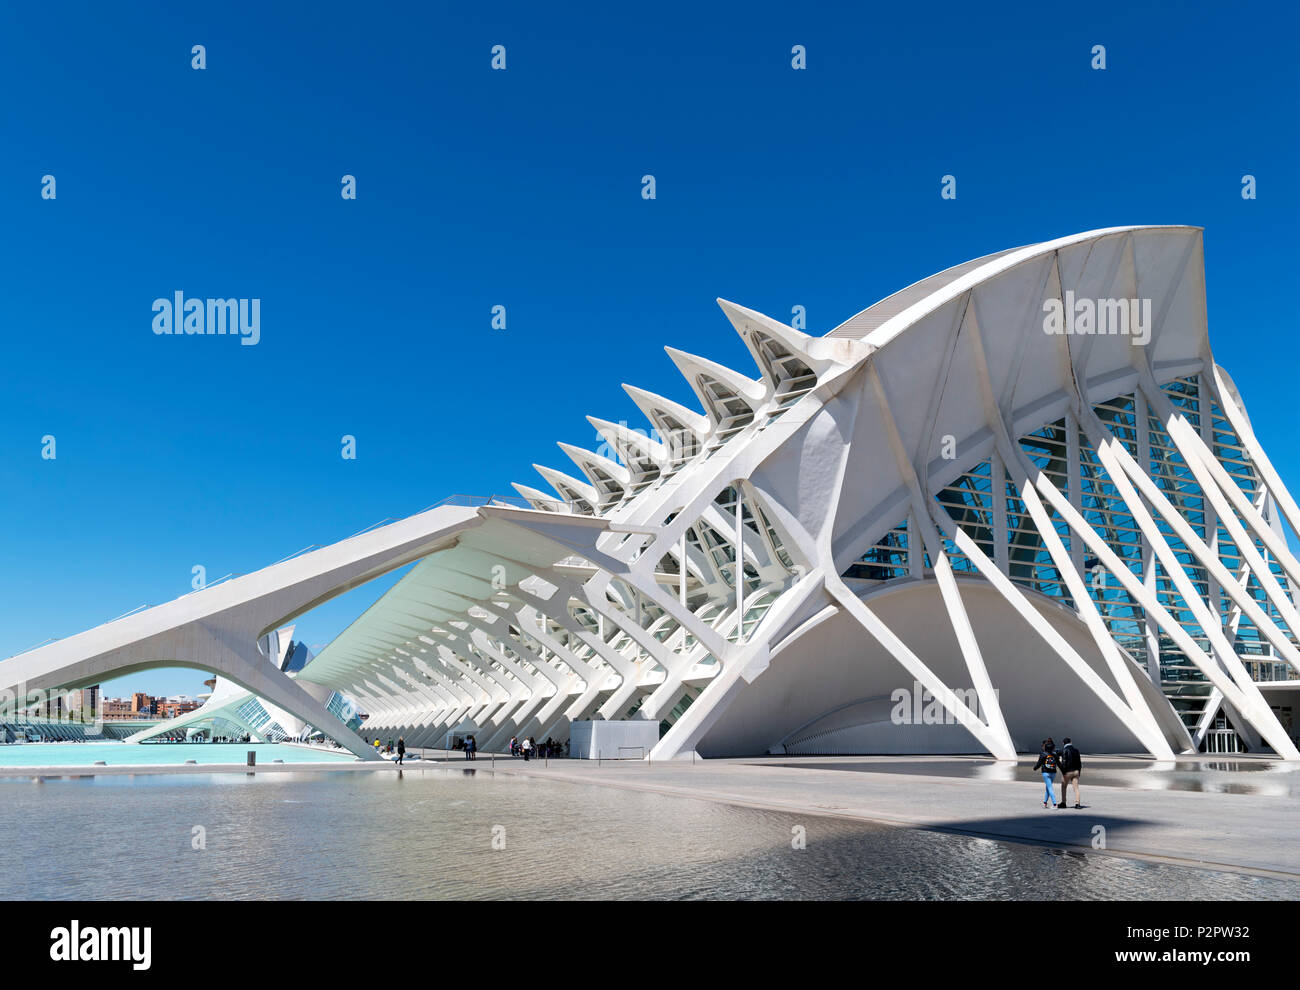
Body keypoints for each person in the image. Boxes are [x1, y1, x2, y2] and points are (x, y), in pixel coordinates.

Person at [1032, 738, 1059, 809]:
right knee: (1048, 787)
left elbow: (1039, 763)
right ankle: (1045, 803)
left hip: (1046, 772)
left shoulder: (1043, 754)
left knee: (1049, 788)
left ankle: (1055, 804)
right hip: (1053, 773)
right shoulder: (1055, 754)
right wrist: (1064, 771)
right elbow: (1059, 764)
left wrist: (1035, 768)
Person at [1058, 737, 1082, 808]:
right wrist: (1079, 772)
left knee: (1064, 787)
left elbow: (1064, 762)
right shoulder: (1076, 750)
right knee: (1076, 788)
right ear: (1071, 742)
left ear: (1063, 743)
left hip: (1068, 772)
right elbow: (1079, 763)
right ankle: (1077, 803)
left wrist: (1063, 772)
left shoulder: (1064, 750)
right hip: (1076, 771)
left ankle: (1063, 802)